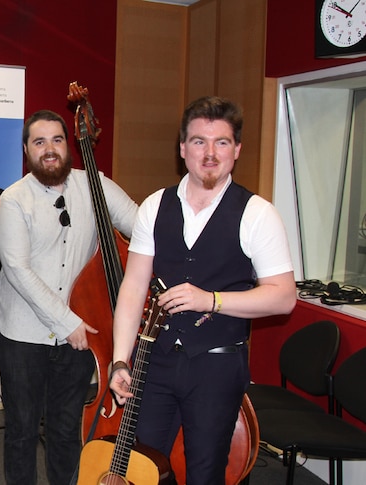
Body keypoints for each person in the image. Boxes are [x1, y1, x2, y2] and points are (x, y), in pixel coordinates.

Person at [109, 96, 296, 484]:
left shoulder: (257, 213)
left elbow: (283, 295)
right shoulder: (154, 206)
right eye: (198, 141)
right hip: (155, 361)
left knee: (205, 473)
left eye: (221, 142)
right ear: (182, 149)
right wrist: (120, 360)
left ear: (237, 149)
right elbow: (133, 287)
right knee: (143, 468)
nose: (209, 153)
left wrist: (212, 300)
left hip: (217, 365)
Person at [0, 109, 138, 485]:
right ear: (27, 150)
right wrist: (67, 320)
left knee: (64, 428)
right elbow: (18, 270)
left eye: (57, 140)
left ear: (68, 144)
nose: (50, 149)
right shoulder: (14, 199)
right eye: (39, 142)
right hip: (23, 337)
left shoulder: (96, 185)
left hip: (78, 336)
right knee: (23, 431)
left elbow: (142, 227)